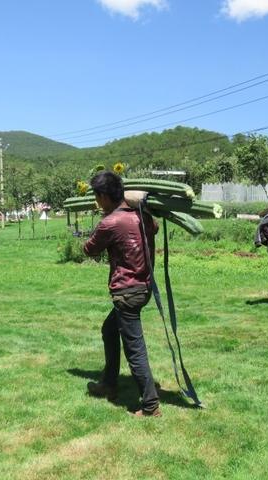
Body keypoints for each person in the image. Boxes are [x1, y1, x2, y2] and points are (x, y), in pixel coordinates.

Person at [82, 171, 161, 417]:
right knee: (109, 330)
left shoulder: (110, 222)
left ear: (104, 196)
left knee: (135, 348)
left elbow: (89, 249)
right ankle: (109, 384)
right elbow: (155, 227)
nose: (96, 202)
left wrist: (105, 221)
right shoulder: (144, 217)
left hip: (127, 292)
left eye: (96, 197)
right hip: (143, 288)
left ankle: (150, 406)